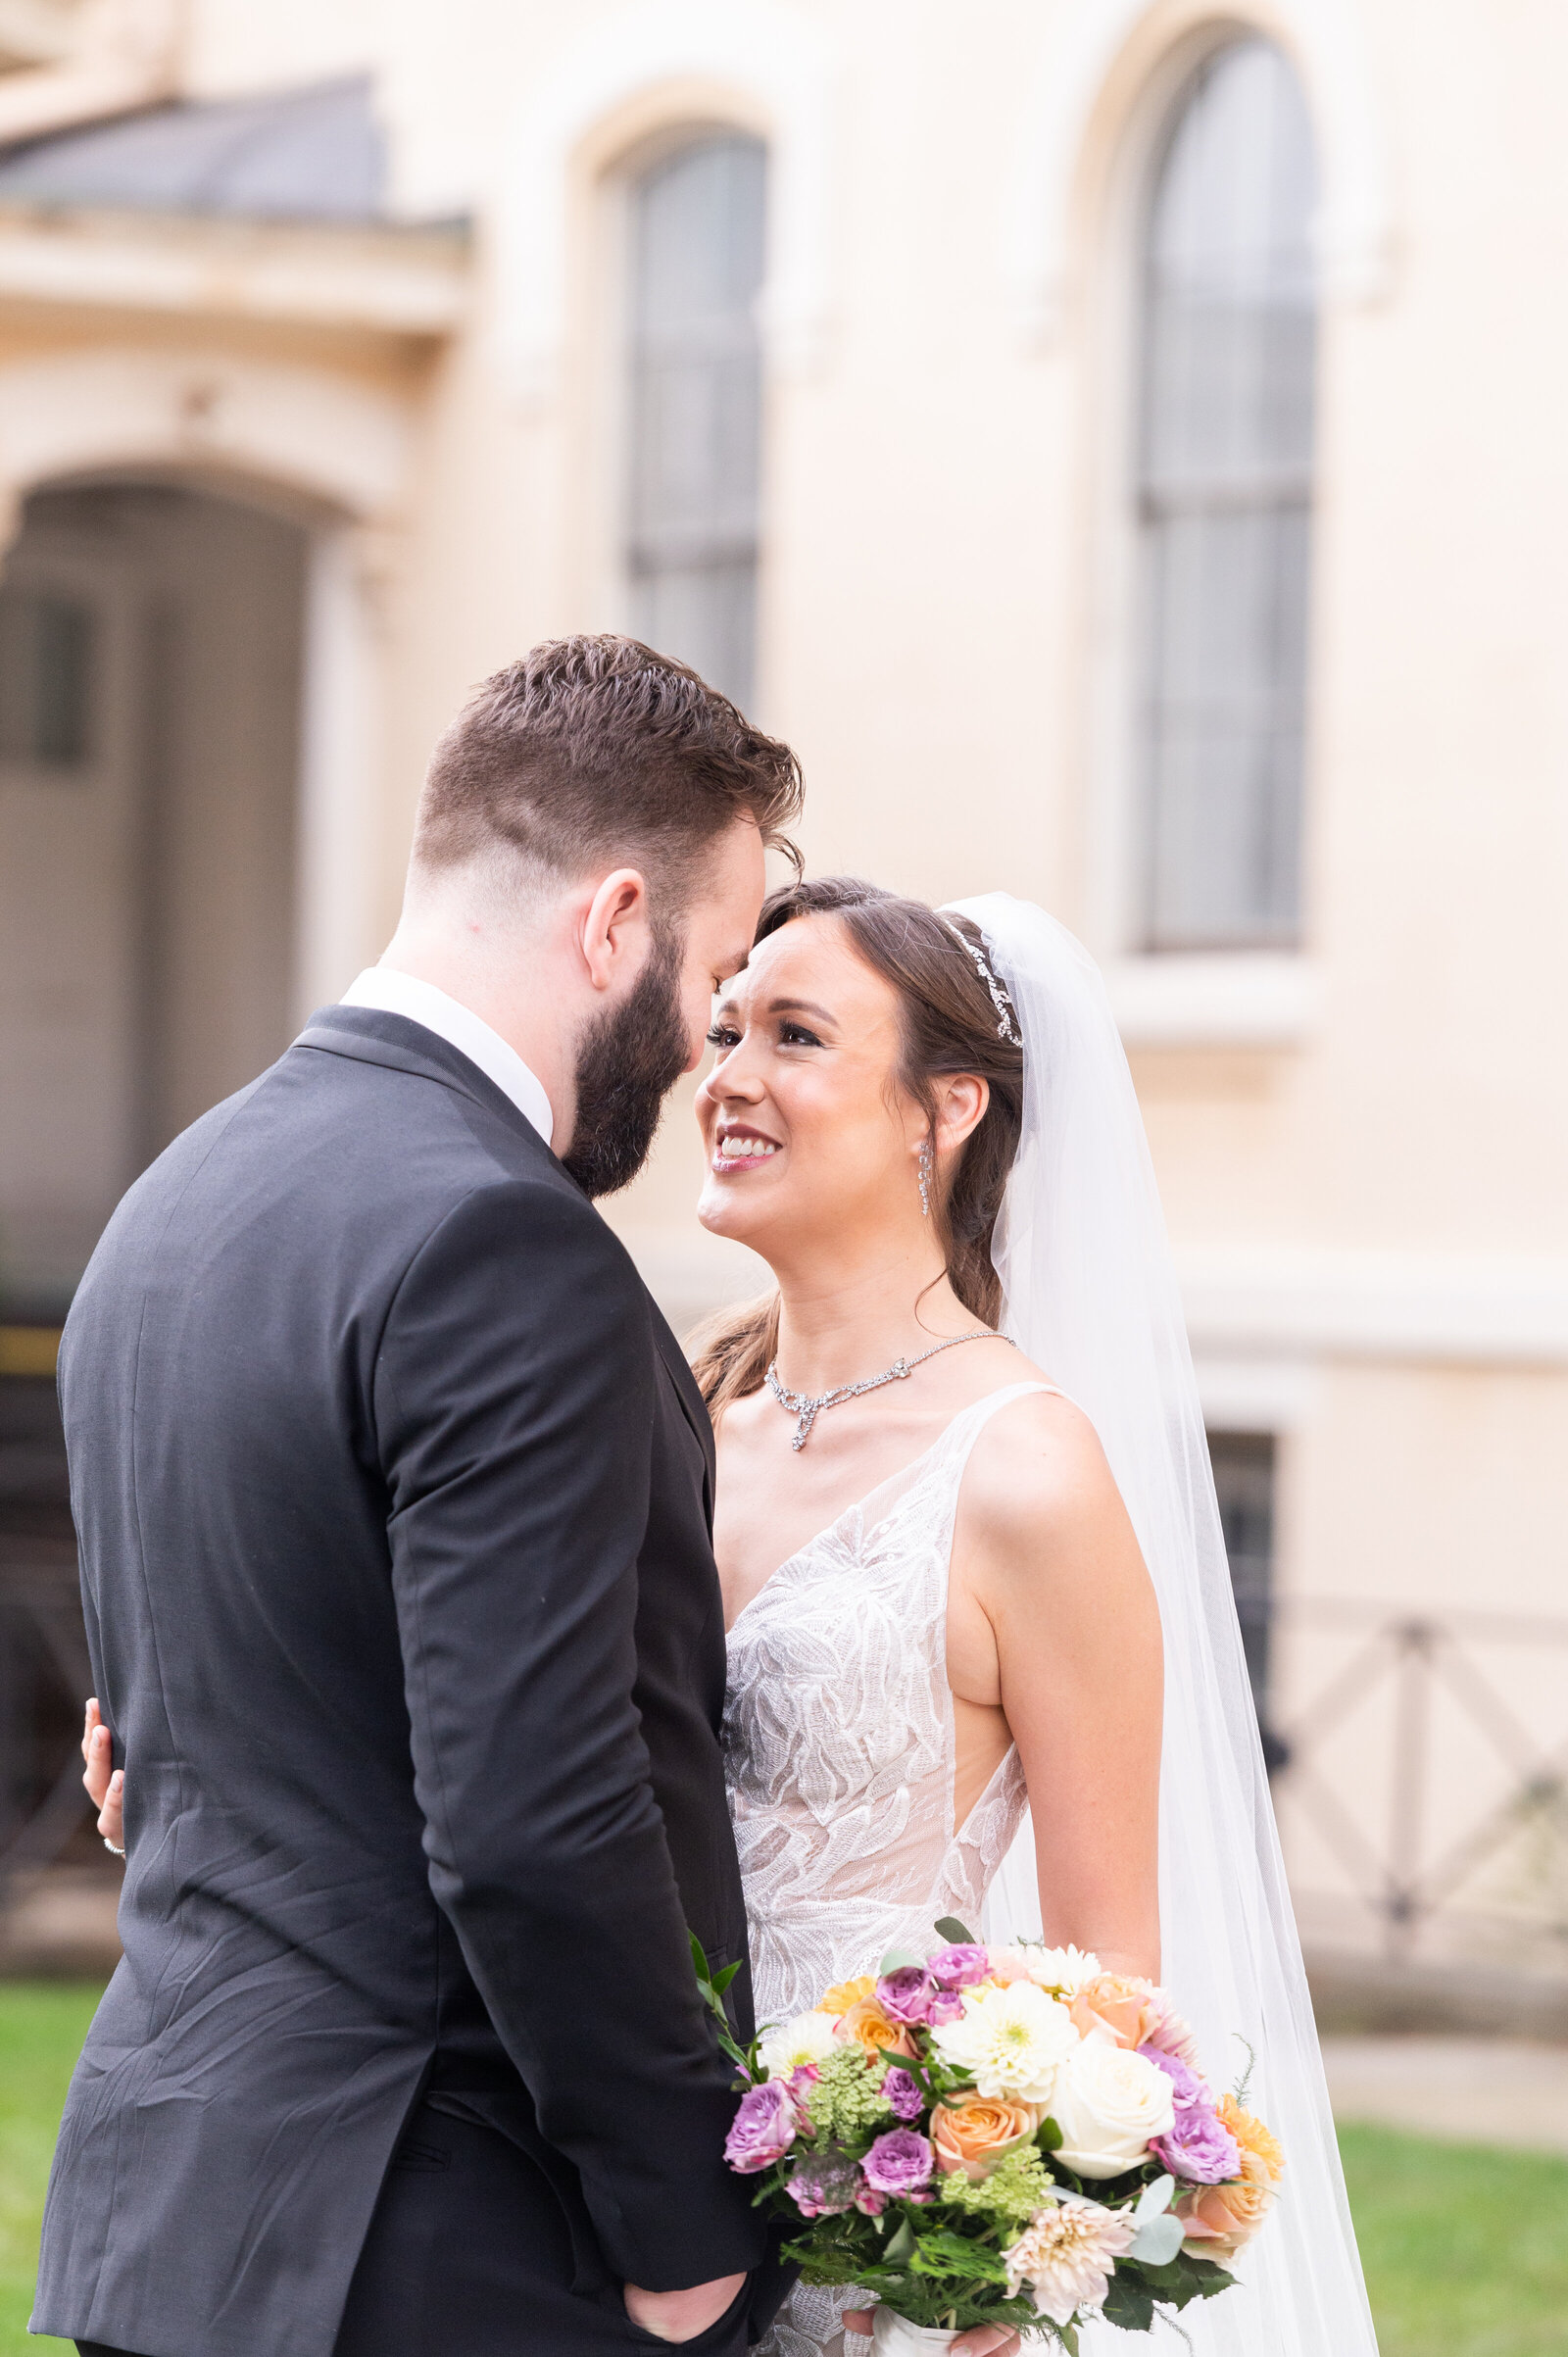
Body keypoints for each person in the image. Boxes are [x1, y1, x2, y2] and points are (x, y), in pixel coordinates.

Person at [80, 865, 1377, 2355]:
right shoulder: (677, 1394)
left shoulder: (1029, 1471)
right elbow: (475, 1715)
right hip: (586, 2182)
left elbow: (1110, 1985)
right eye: (728, 1022)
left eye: (798, 1037)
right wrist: (195, 1756)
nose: (728, 1074)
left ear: (943, 1110)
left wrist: (1000, 2248)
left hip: (862, 2247)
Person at [42, 636, 808, 2357]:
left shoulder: (176, 1197)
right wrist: (686, 2229)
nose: (702, 1045)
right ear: (614, 922)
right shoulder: (500, 1241)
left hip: (173, 2229)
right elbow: (535, 1807)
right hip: (435, 2241)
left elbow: (208, 1706)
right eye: (709, 972)